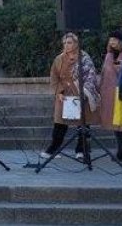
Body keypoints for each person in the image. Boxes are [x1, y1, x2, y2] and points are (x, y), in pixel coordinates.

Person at [41, 32, 99, 160]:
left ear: (76, 43)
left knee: (83, 122)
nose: (66, 45)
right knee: (59, 123)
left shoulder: (84, 58)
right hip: (64, 94)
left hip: (80, 92)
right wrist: (59, 92)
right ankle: (53, 149)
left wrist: (84, 91)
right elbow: (54, 77)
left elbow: (91, 75)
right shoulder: (59, 59)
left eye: (69, 43)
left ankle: (81, 149)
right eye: (65, 43)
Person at [99, 31, 122, 160]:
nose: (112, 42)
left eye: (114, 40)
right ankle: (120, 150)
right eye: (110, 40)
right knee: (116, 120)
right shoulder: (109, 55)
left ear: (120, 41)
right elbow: (104, 73)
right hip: (110, 92)